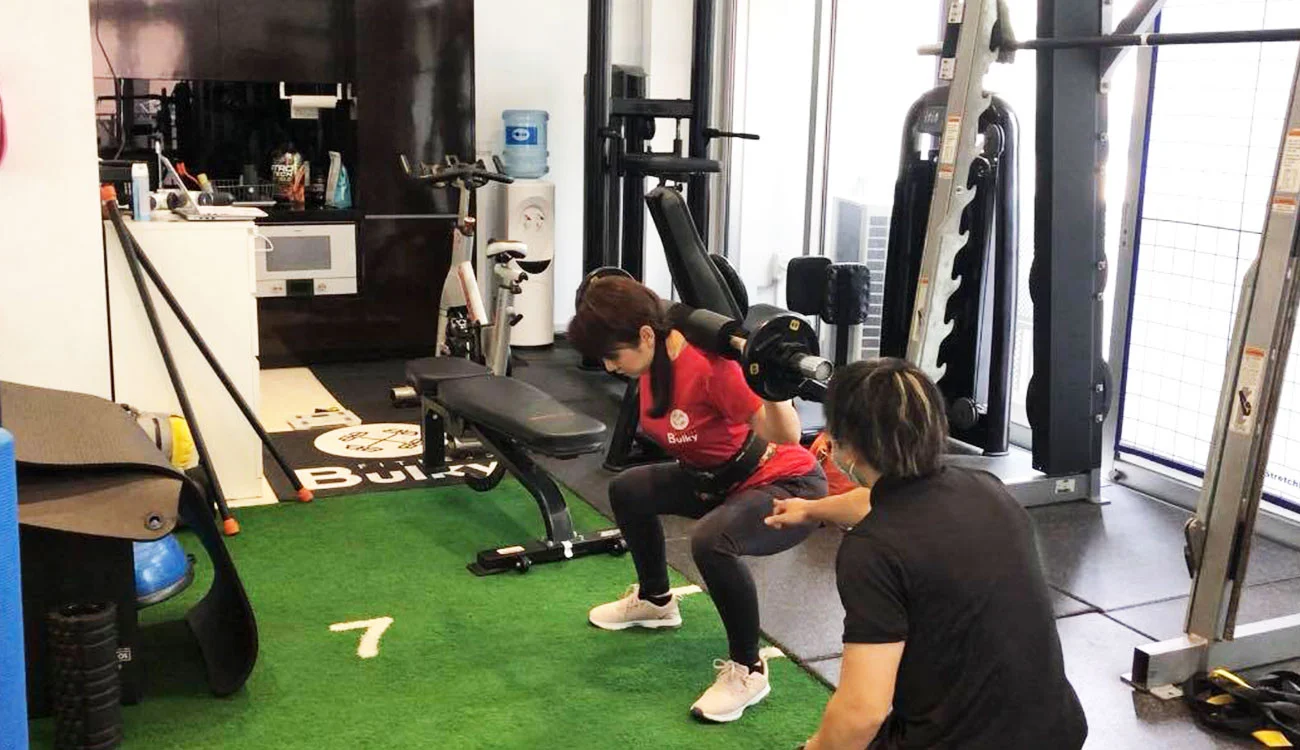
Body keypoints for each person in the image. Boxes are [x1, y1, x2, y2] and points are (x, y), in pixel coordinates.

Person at [766, 358, 1087, 750]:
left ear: (849, 447)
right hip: (1058, 731)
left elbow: (861, 714)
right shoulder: (986, 489)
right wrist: (811, 508)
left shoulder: (871, 551)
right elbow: (877, 502)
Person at [568, 276, 828, 723]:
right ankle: (656, 601)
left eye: (613, 356)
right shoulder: (653, 360)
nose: (609, 368)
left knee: (711, 541)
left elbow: (787, 436)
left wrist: (775, 384)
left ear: (645, 335)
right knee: (628, 490)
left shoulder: (711, 369)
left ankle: (749, 670)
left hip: (786, 483)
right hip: (716, 479)